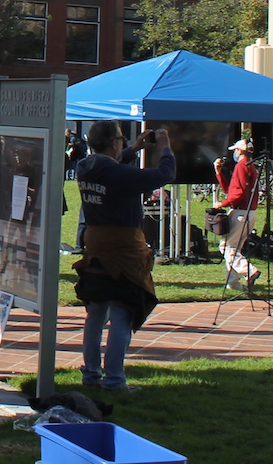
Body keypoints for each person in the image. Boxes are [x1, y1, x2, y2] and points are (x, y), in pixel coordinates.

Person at [73, 122, 175, 392]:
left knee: (95, 314)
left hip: (94, 250)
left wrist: (134, 148)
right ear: (113, 143)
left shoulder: (84, 168)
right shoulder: (122, 175)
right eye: (120, 138)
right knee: (122, 313)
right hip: (123, 253)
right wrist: (164, 146)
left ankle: (91, 374)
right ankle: (115, 379)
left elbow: (109, 168)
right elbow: (166, 173)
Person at [211, 138, 261, 291]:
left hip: (240, 211)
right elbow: (232, 190)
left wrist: (222, 204)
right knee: (234, 248)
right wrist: (219, 173)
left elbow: (236, 193)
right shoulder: (251, 167)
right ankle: (233, 283)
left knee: (227, 247)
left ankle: (248, 270)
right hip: (249, 212)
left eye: (236, 151)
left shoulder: (241, 166)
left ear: (239, 151)